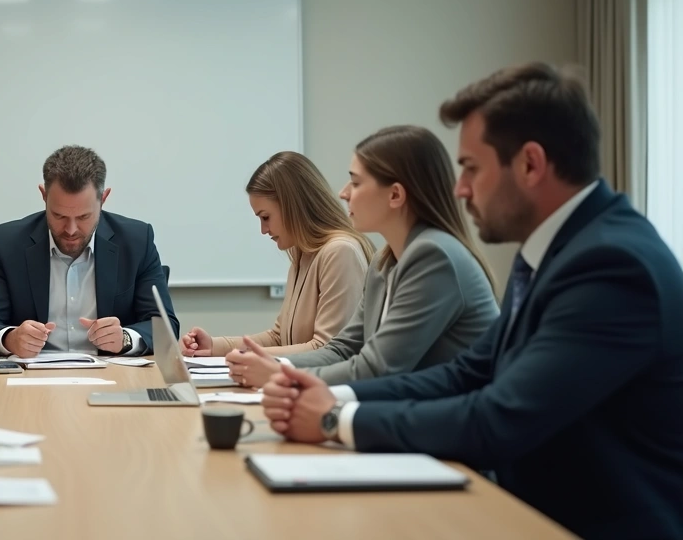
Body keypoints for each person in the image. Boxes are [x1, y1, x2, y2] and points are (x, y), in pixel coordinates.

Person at [262, 63, 683, 539]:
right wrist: (332, 395)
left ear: (530, 164)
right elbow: (468, 373)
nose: (459, 189)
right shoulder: (560, 250)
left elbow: (498, 417)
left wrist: (336, 418)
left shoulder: (611, 265)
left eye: (471, 168)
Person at [227, 126, 499, 387]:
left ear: (395, 194)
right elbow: (343, 349)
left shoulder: (433, 256)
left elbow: (378, 368)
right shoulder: (384, 262)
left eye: (355, 182)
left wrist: (279, 372)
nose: (344, 193)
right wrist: (276, 366)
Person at [0, 145, 178, 357]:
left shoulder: (137, 241)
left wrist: (125, 338)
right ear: (44, 195)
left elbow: (165, 326)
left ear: (103, 199)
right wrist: (10, 338)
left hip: (111, 375)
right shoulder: (8, 243)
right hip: (34, 379)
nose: (71, 230)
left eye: (84, 217)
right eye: (59, 216)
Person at [181, 151, 372, 364]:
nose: (263, 230)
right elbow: (279, 337)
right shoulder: (303, 255)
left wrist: (244, 356)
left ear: (293, 206)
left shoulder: (340, 252)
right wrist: (216, 346)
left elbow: (327, 349)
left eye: (266, 217)